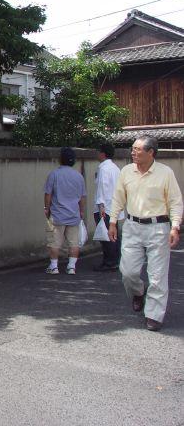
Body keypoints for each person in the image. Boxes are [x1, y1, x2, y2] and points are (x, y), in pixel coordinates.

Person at [109, 136, 181, 331]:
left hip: (158, 227)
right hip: (132, 226)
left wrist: (175, 226)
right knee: (128, 272)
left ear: (151, 152)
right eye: (132, 148)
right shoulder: (126, 171)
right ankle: (138, 292)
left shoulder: (165, 173)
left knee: (157, 275)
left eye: (138, 149)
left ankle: (154, 315)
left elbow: (175, 202)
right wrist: (113, 221)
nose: (133, 152)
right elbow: (118, 198)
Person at [43, 147, 86, 275]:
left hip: (57, 214)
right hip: (74, 214)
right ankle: (71, 267)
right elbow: (82, 197)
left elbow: (48, 194)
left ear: (60, 159)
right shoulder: (79, 176)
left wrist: (47, 208)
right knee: (74, 243)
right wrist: (81, 211)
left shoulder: (54, 174)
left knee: (54, 242)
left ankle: (54, 267)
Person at [93, 142, 122, 271]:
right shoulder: (115, 168)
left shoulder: (103, 169)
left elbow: (102, 188)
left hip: (105, 207)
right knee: (114, 235)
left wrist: (101, 206)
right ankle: (115, 260)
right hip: (114, 206)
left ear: (103, 154)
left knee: (106, 236)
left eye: (98, 151)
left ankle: (109, 262)